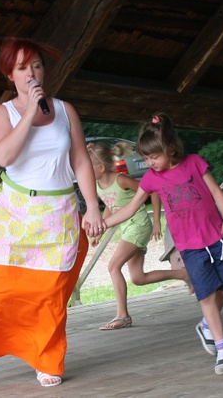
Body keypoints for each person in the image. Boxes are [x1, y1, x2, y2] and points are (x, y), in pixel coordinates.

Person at [0, 37, 106, 388]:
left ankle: (45, 360)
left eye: (36, 66)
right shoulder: (5, 113)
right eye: (22, 68)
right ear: (10, 75)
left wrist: (92, 207)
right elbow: (4, 156)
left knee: (50, 295)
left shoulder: (64, 110)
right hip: (16, 215)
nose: (32, 73)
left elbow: (80, 159)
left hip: (60, 211)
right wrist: (30, 111)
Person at [89, 112, 223, 375]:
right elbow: (131, 208)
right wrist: (103, 224)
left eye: (154, 157)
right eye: (145, 158)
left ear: (170, 149)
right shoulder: (151, 179)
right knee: (205, 294)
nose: (150, 163)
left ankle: (206, 326)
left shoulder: (194, 163)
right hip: (189, 245)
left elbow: (216, 191)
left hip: (216, 236)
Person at [87, 141, 190, 330]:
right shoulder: (98, 185)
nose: (84, 171)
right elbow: (111, 207)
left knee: (113, 266)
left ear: (101, 167)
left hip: (139, 225)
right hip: (126, 228)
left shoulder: (121, 180)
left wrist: (157, 221)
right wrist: (99, 233)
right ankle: (183, 274)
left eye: (87, 166)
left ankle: (122, 316)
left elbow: (152, 191)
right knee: (138, 278)